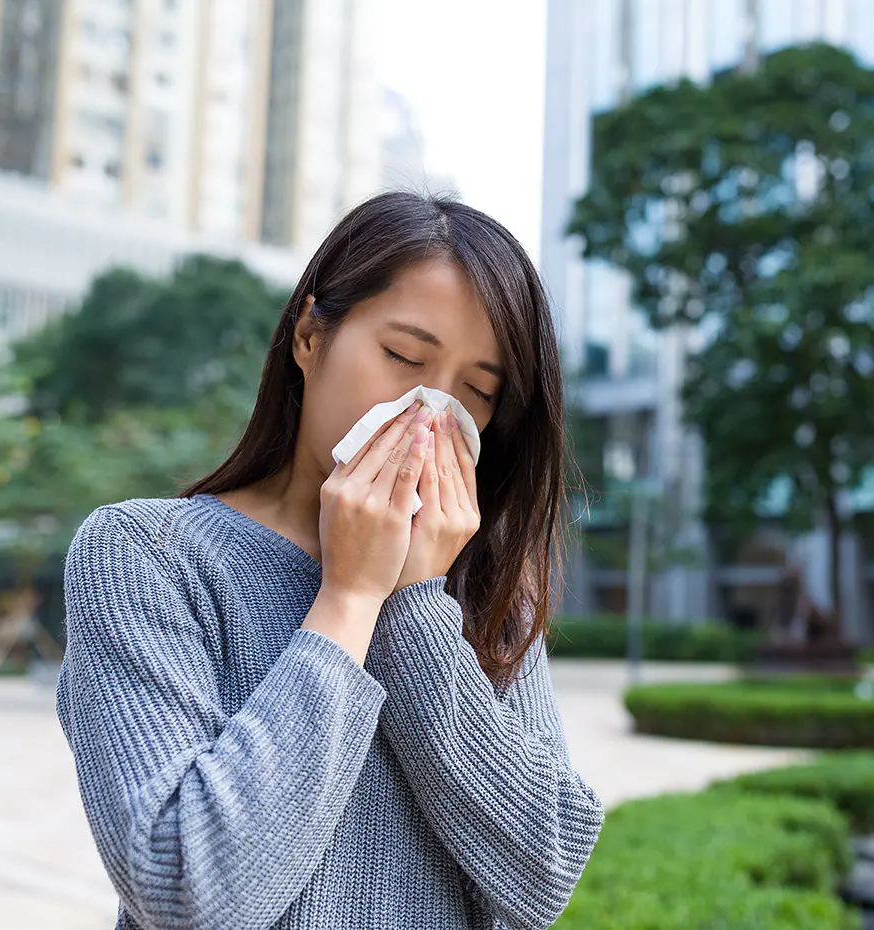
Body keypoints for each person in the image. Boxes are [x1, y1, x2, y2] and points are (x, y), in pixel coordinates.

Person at [56, 192, 605, 929]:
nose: (428, 413)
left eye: (476, 391)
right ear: (310, 336)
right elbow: (188, 890)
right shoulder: (146, 555)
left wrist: (414, 602)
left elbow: (542, 872)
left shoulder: (489, 587)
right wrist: (350, 596)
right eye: (403, 357)